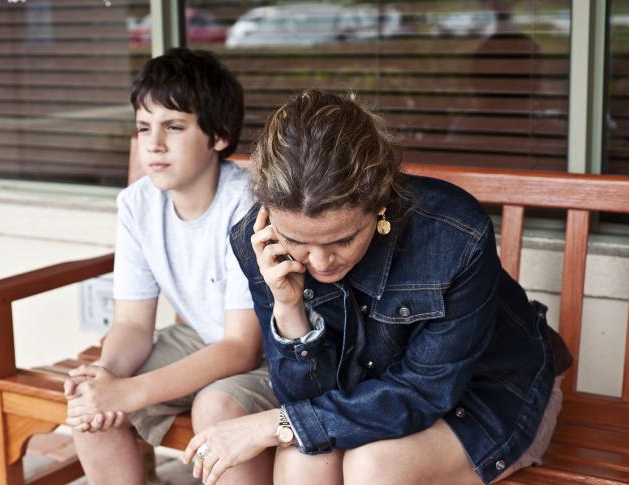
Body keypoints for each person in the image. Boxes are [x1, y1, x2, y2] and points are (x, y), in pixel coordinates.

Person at [182, 89, 571, 485]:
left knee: (372, 468)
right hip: (364, 395)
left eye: (342, 240)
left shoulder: (455, 235)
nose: (318, 262)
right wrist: (288, 309)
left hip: (485, 388)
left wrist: (271, 425)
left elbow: (424, 393)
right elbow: (303, 400)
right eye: (297, 242)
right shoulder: (259, 239)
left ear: (380, 197)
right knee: (304, 459)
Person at [63, 48, 279, 485]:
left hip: (276, 351)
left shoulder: (246, 204)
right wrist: (108, 377)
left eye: (174, 127)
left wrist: (128, 392)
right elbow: (132, 325)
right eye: (144, 128)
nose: (153, 144)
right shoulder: (138, 204)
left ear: (218, 136)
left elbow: (241, 347)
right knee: (91, 403)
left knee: (216, 409)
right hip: (199, 336)